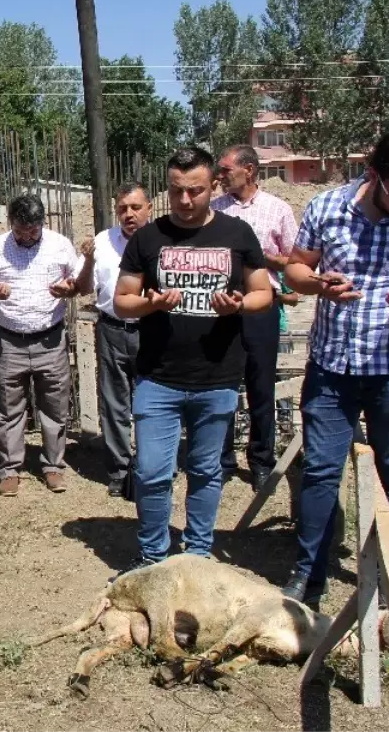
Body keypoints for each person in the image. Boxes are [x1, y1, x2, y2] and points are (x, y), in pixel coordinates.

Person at [282, 128, 389, 608]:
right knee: (320, 471)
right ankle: (308, 576)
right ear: (373, 175)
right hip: (333, 367)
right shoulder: (327, 207)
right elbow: (294, 268)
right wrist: (318, 284)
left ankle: (383, 578)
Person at [114, 146, 272, 573]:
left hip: (217, 376)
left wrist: (237, 306)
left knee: (205, 472)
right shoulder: (149, 237)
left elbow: (264, 293)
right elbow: (122, 300)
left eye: (196, 191)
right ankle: (152, 555)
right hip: (158, 378)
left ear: (213, 186)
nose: (185, 202)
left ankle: (198, 553)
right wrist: (151, 304)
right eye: (176, 191)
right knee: (151, 473)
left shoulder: (237, 234)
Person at [0, 193, 89, 496]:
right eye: (21, 230)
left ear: (42, 223)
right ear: (11, 222)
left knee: (54, 406)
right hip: (10, 340)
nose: (27, 236)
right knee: (9, 407)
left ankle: (53, 466)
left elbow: (78, 282)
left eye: (33, 230)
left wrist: (69, 287)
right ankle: (10, 469)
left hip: (50, 339)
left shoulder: (60, 245)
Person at [213, 145, 299, 491]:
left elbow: (296, 261)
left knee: (261, 386)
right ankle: (220, 459)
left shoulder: (277, 210)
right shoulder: (214, 210)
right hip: (221, 308)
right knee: (220, 385)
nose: (220, 175)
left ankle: (261, 459)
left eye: (226, 169)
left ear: (249, 170)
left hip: (261, 307)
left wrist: (262, 258)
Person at [76, 183, 152, 498]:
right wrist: (89, 260)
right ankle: (119, 471)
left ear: (149, 207)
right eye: (122, 208)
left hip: (153, 330)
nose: (128, 214)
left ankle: (151, 469)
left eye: (135, 207)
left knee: (153, 404)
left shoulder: (164, 240)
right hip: (112, 329)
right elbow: (82, 288)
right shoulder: (101, 242)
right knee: (114, 404)